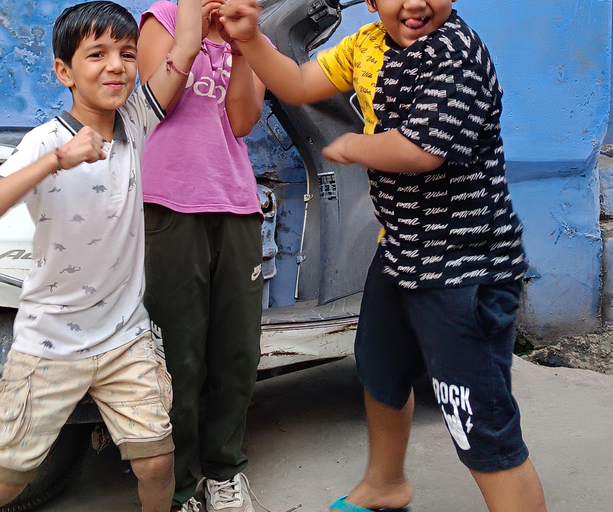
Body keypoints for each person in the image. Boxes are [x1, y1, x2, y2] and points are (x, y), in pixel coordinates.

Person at [218, 0, 548, 511]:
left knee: (477, 416)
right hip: (399, 252)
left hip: (463, 264)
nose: (414, 3)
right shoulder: (368, 44)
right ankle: (386, 484)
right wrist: (251, 41)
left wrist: (353, 147)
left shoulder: (454, 55)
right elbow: (301, 85)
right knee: (381, 370)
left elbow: (420, 151)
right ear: (371, 2)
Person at [0, 0, 204, 510]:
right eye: (97, 54)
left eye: (127, 53)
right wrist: (56, 161)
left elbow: (184, 49)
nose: (115, 65)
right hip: (49, 346)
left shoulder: (134, 122)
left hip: (124, 337)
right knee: (2, 481)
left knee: (158, 463)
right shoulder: (43, 141)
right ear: (64, 71)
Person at [136, 0, 267, 510]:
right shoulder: (162, 18)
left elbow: (240, 121)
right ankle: (179, 485)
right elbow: (154, 103)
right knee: (178, 357)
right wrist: (192, 34)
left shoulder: (254, 37)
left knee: (237, 353)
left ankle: (224, 472)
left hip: (235, 205)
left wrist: (238, 42)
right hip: (169, 205)